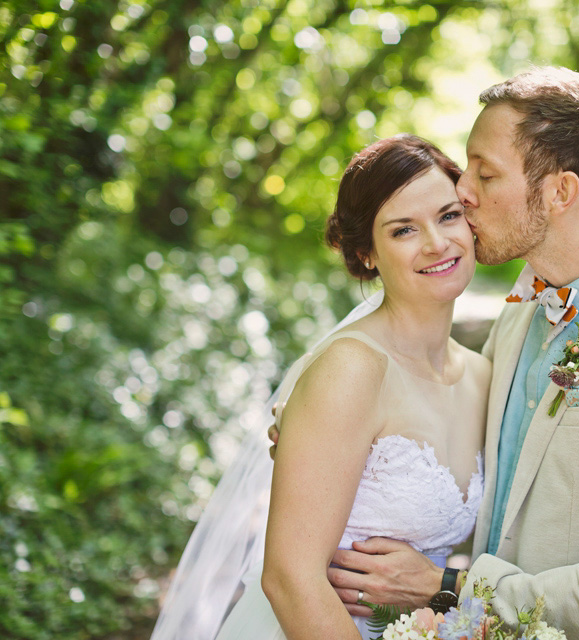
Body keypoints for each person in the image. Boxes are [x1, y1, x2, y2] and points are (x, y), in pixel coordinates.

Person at [278, 67, 579, 640]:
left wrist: (448, 585)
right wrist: (320, 438)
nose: (462, 190)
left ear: (560, 193)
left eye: (485, 173)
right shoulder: (522, 310)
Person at [151, 134, 491, 640]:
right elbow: (289, 579)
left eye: (447, 216)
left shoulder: (482, 377)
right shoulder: (351, 369)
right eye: (403, 230)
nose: (437, 243)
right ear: (366, 254)